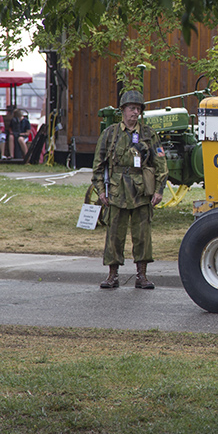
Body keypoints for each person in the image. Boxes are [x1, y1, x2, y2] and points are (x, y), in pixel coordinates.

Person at [91, 90, 168, 289]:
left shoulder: (149, 134)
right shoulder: (110, 134)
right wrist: (101, 191)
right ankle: (112, 275)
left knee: (142, 235)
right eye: (131, 108)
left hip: (141, 190)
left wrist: (159, 190)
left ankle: (141, 275)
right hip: (116, 191)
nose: (135, 113)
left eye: (138, 109)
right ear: (122, 110)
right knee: (114, 234)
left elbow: (161, 165)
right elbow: (98, 166)